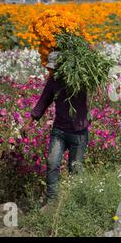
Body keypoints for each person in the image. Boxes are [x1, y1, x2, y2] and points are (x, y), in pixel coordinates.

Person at [21, 51, 89, 202]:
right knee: (52, 163)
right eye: (50, 68)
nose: (50, 71)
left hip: (79, 132)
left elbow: (91, 76)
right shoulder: (53, 81)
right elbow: (43, 102)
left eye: (54, 68)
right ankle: (52, 201)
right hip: (59, 131)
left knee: (75, 170)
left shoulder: (80, 78)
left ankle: (76, 203)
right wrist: (28, 124)